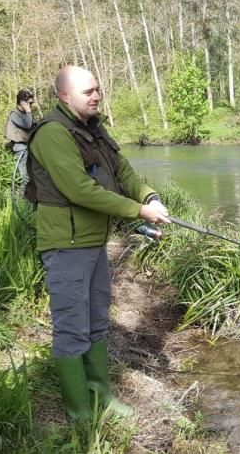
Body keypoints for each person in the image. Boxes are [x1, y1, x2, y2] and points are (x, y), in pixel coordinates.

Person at [27, 65, 171, 424]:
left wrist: (149, 197)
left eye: (97, 89)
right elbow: (79, 189)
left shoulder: (93, 129)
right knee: (71, 328)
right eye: (88, 91)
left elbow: (123, 173)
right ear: (64, 96)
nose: (96, 95)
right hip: (65, 245)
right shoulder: (52, 134)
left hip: (93, 243)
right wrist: (137, 211)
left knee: (96, 322)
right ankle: (79, 411)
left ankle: (100, 396)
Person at [5, 89, 35, 196]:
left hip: (29, 146)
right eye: (29, 103)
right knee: (25, 176)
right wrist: (28, 112)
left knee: (33, 174)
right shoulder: (14, 114)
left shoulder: (27, 114)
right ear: (22, 102)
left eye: (31, 103)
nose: (30, 106)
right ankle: (21, 200)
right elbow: (27, 125)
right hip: (20, 147)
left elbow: (33, 126)